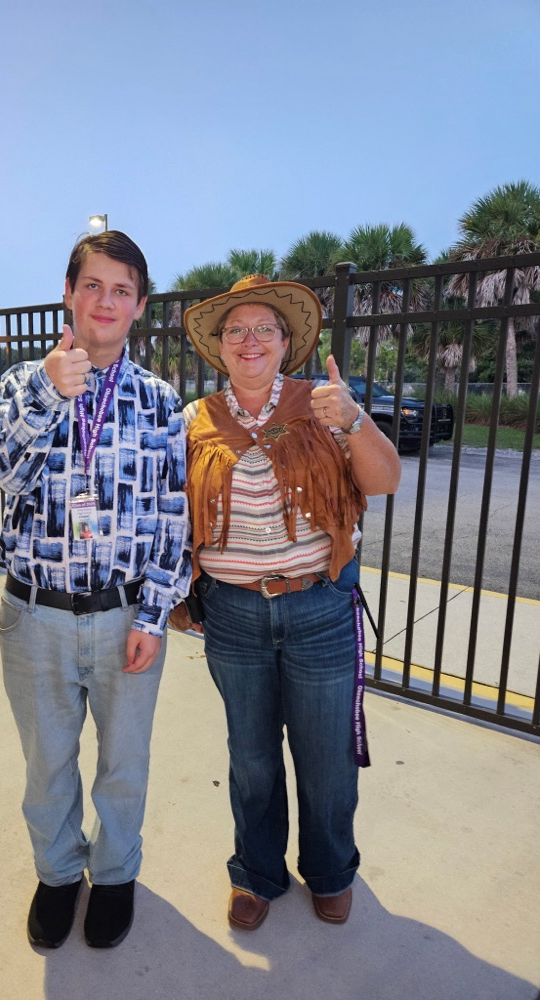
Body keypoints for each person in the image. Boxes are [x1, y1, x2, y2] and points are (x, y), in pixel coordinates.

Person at [0, 231, 191, 950]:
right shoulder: (18, 383)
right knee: (47, 760)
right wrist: (47, 392)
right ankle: (58, 872)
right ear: (68, 293)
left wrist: (156, 616)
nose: (107, 300)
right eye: (93, 285)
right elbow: (2, 472)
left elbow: (173, 518)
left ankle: (116, 872)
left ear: (138, 307)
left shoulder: (160, 401)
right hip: (35, 613)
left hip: (124, 613)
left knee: (123, 761)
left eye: (123, 290)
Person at [177, 274, 400, 931]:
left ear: (285, 342)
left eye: (264, 329)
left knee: (327, 759)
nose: (251, 340)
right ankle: (257, 873)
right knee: (249, 759)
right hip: (235, 614)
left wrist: (354, 419)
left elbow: (384, 480)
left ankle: (330, 871)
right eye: (237, 330)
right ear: (220, 346)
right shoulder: (197, 420)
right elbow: (167, 513)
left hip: (319, 610)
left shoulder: (322, 405)